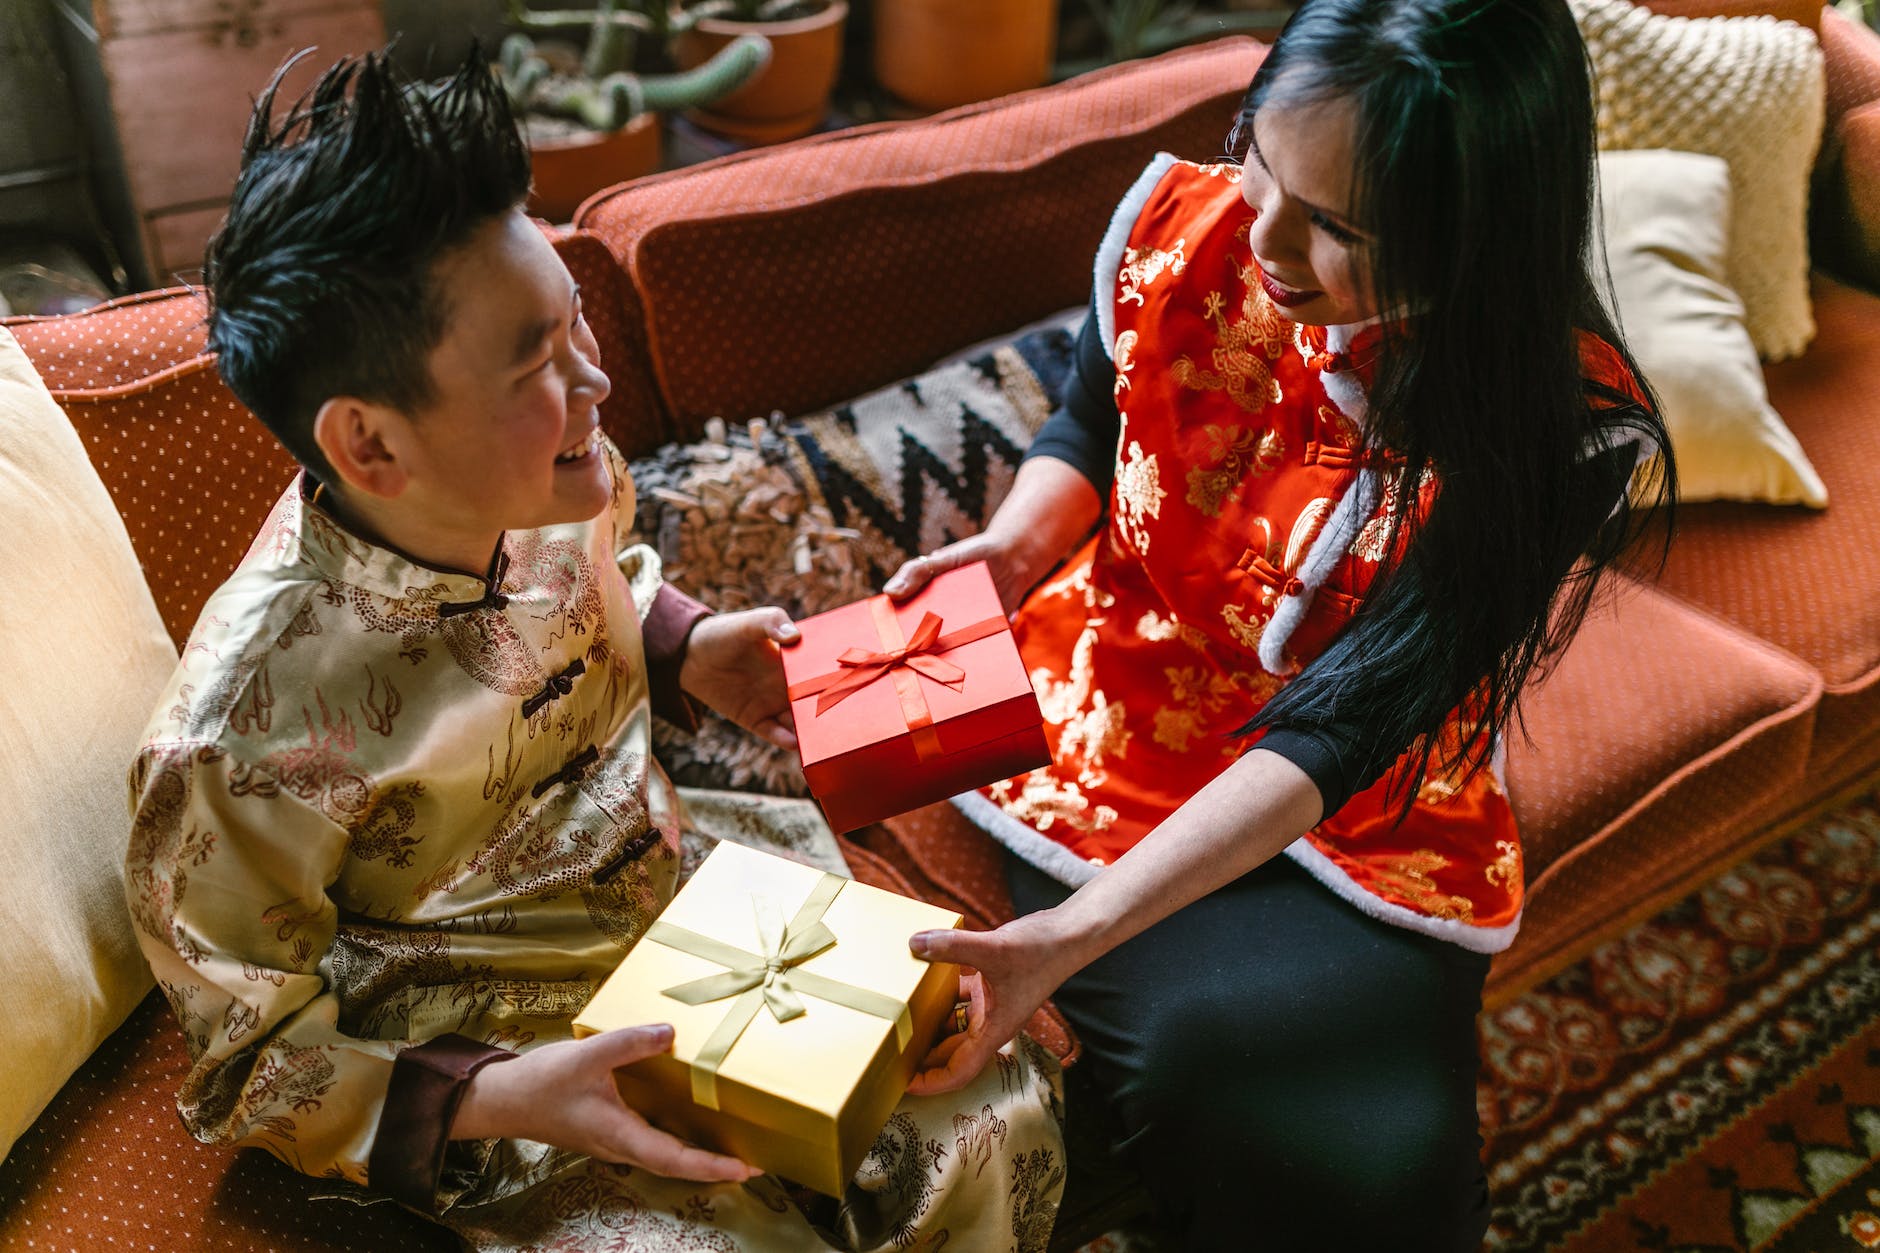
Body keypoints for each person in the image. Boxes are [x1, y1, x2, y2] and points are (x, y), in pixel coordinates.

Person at [123, 49, 1065, 1252]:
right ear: (370, 445)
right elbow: (246, 1056)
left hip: (684, 897)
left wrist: (687, 646)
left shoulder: (560, 472)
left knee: (989, 1109)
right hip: (488, 1046)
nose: (596, 380)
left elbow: (600, 582)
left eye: (576, 322)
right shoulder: (230, 738)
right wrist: (503, 1096)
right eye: (537, 363)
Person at [891, 0, 1676, 1248]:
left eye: (1339, 227)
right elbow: (1093, 415)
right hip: (1110, 703)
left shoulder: (1555, 428)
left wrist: (1070, 935)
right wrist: (1017, 544)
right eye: (1257, 157)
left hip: (1354, 789)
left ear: (1475, 233)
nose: (1260, 235)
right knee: (1203, 1069)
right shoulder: (1186, 224)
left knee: (1380, 1158)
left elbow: (1347, 722)